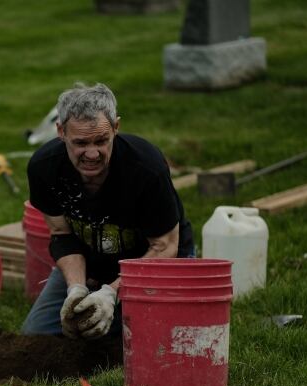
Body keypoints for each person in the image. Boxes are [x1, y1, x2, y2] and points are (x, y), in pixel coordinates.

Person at [21, 83, 194, 340]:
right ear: (60, 132)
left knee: (146, 338)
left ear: (116, 127)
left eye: (101, 140)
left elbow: (164, 246)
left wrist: (110, 294)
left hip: (156, 261)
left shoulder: (146, 168)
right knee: (37, 336)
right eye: (80, 143)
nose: (92, 154)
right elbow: (62, 235)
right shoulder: (44, 168)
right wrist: (76, 288)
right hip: (91, 261)